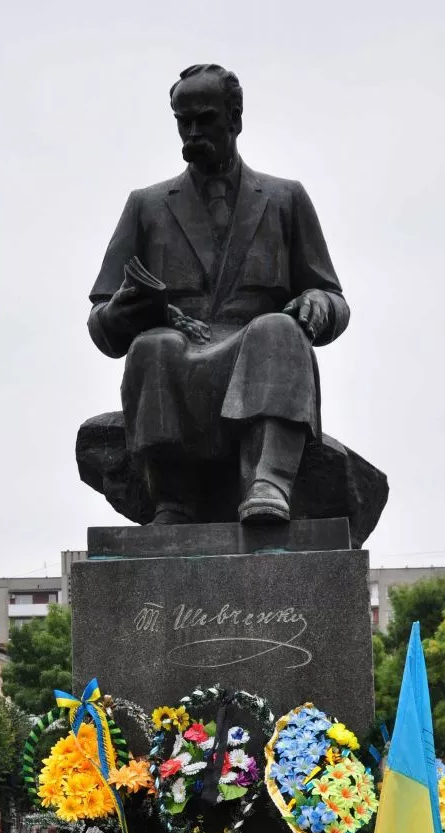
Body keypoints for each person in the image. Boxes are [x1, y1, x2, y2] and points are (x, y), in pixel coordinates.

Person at [88, 63, 349, 525]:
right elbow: (101, 323)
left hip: (258, 362)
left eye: (204, 119)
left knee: (276, 329)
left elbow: (332, 297)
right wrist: (121, 313)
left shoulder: (285, 199)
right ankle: (173, 500)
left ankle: (269, 483)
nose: (192, 132)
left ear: (235, 117)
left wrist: (320, 305)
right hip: (178, 366)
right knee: (153, 345)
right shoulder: (146, 206)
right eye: (182, 121)